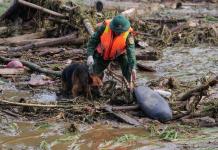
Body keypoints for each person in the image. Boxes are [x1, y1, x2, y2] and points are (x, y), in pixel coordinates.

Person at [86, 15, 137, 88]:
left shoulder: (128, 33)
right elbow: (93, 41)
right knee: (92, 73)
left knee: (129, 70)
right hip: (104, 54)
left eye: (121, 32)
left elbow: (131, 51)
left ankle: (132, 87)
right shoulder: (105, 26)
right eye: (117, 31)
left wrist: (133, 67)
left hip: (120, 54)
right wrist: (90, 55)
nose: (119, 33)